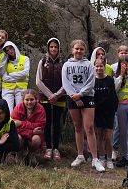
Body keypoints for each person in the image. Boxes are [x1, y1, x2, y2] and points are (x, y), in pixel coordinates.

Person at [62, 39, 105, 172]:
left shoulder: (89, 65)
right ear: (72, 50)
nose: (79, 51)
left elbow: (91, 82)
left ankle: (95, 159)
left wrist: (80, 95)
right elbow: (66, 82)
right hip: (72, 97)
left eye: (81, 49)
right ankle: (80, 155)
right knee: (77, 127)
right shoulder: (66, 65)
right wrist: (74, 96)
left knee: (90, 127)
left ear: (84, 51)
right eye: (76, 48)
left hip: (87, 97)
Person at [36, 37, 65, 160]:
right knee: (47, 123)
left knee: (57, 123)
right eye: (51, 47)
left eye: (56, 47)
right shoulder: (42, 61)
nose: (53, 49)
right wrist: (49, 95)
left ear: (59, 48)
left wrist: (57, 95)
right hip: (45, 97)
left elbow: (66, 82)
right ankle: (48, 147)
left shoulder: (64, 62)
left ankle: (56, 148)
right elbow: (38, 81)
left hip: (60, 97)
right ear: (48, 48)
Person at [93, 58, 118, 170]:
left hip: (109, 112)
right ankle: (102, 158)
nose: (99, 68)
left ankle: (109, 159)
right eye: (97, 66)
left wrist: (112, 110)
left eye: (101, 66)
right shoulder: (92, 81)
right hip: (97, 112)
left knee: (108, 137)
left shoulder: (109, 80)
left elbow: (113, 97)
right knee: (99, 136)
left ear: (105, 67)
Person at [11, 89, 46, 156]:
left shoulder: (40, 109)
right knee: (17, 137)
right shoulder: (18, 108)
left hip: (32, 136)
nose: (29, 102)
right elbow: (13, 127)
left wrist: (21, 123)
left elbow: (40, 126)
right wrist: (32, 131)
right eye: (27, 100)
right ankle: (19, 153)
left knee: (36, 139)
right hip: (22, 134)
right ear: (23, 100)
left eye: (32, 99)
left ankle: (32, 154)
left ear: (36, 100)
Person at [2, 41, 30, 112]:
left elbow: (25, 73)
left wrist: (10, 75)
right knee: (8, 110)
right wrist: (19, 77)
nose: (10, 51)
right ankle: (9, 123)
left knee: (20, 110)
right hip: (7, 88)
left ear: (14, 47)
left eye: (11, 48)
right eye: (7, 50)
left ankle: (18, 123)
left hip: (21, 88)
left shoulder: (25, 59)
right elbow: (4, 77)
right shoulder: (5, 61)